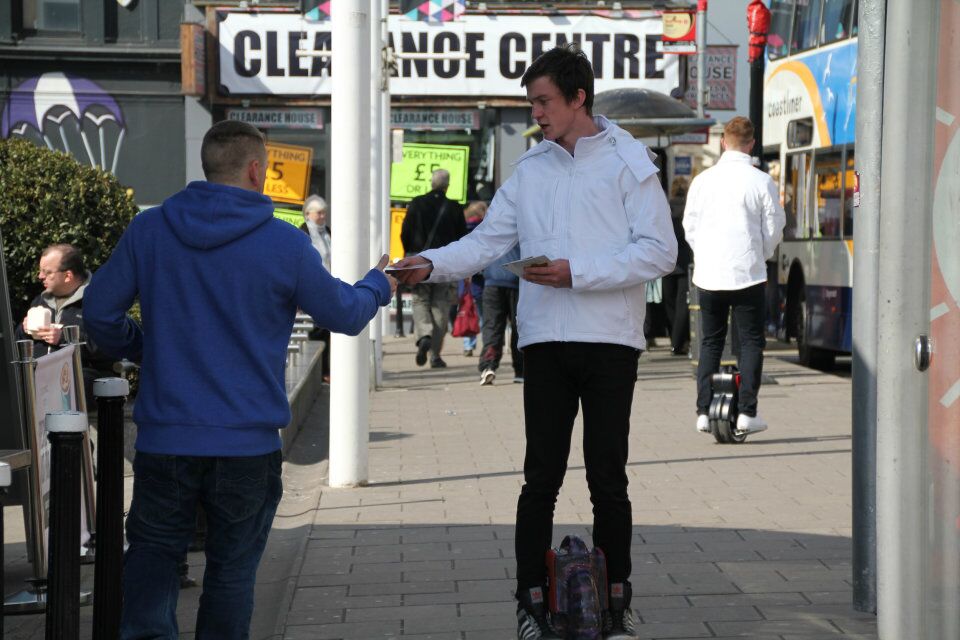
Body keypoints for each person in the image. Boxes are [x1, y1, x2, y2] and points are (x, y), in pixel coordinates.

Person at [392, 45, 677, 639]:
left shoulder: (630, 162)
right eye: (532, 103)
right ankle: (531, 604)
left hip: (610, 342)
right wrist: (429, 263)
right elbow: (485, 242)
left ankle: (616, 607)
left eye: (544, 102)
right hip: (544, 341)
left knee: (608, 480)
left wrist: (578, 272)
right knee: (539, 479)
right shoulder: (530, 169)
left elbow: (660, 252)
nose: (536, 113)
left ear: (578, 98)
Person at [83, 120, 395, 639]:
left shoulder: (150, 230)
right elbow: (343, 313)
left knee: (153, 560)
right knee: (231, 572)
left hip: (166, 438)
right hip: (246, 443)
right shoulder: (285, 243)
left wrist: (144, 348)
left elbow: (99, 314)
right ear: (256, 170)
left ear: (207, 167)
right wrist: (378, 285)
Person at [682, 116, 786, 436]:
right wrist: (760, 253)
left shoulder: (702, 181)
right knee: (751, 343)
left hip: (709, 275)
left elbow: (690, 227)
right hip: (748, 274)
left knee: (710, 342)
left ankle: (703, 411)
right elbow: (774, 227)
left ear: (723, 142)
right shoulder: (761, 181)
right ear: (751, 144)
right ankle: (747, 413)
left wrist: (705, 255)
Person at [15, 243, 115, 401]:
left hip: (80, 379)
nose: (40, 276)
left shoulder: (98, 301)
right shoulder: (40, 301)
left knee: (67, 383)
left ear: (68, 276)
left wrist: (64, 338)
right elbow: (17, 343)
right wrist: (24, 329)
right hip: (39, 376)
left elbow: (109, 347)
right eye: (40, 271)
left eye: (47, 272)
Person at [400, 169, 467, 368]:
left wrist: (410, 253)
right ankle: (435, 355)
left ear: (431, 183)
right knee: (441, 305)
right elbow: (462, 239)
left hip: (419, 261)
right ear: (447, 185)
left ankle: (424, 335)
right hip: (445, 264)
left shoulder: (417, 203)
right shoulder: (454, 207)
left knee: (420, 300)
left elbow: (405, 232)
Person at [477, 242, 523, 386]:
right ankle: (521, 370)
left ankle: (488, 366)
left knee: (492, 326)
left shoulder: (490, 228)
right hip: (518, 280)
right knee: (519, 327)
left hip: (493, 280)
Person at [299, 194, 332, 381]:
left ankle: (325, 370)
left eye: (324, 213)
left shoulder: (327, 231)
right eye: (319, 213)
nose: (322, 216)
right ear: (308, 214)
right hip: (312, 287)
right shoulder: (303, 233)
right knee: (316, 330)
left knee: (326, 329)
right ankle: (320, 372)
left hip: (327, 285)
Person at [661, 177, 693, 356]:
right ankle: (678, 341)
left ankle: (674, 337)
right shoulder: (688, 207)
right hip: (685, 260)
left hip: (667, 261)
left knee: (670, 303)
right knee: (682, 304)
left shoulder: (666, 207)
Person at [460, 200, 487, 356]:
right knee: (483, 314)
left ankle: (468, 345)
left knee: (468, 310)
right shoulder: (485, 229)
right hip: (482, 279)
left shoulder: (463, 228)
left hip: (466, 278)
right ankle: (485, 345)